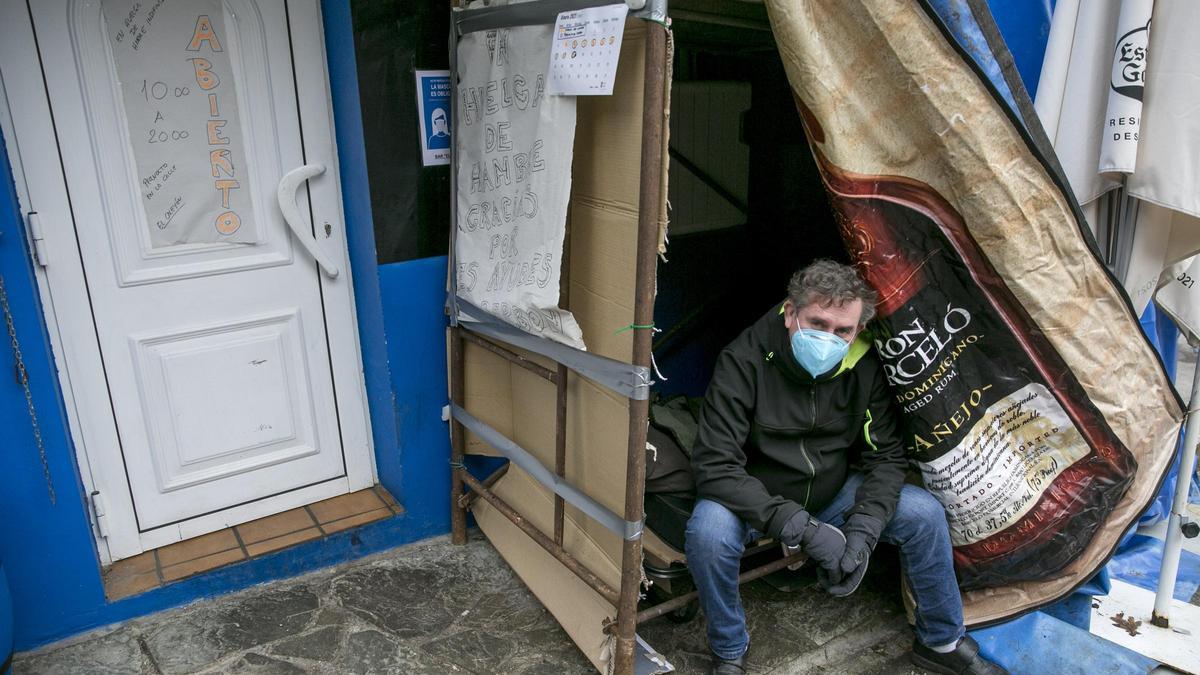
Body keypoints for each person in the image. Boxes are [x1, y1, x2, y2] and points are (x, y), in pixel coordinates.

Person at [685, 259, 1006, 675]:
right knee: (708, 532)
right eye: (817, 323)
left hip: (832, 489)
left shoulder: (862, 364)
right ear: (789, 313)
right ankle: (729, 651)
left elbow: (886, 456)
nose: (828, 338)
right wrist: (804, 530)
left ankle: (941, 642)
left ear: (858, 330)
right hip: (756, 497)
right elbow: (715, 466)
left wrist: (864, 532)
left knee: (923, 513)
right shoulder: (742, 360)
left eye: (843, 330)